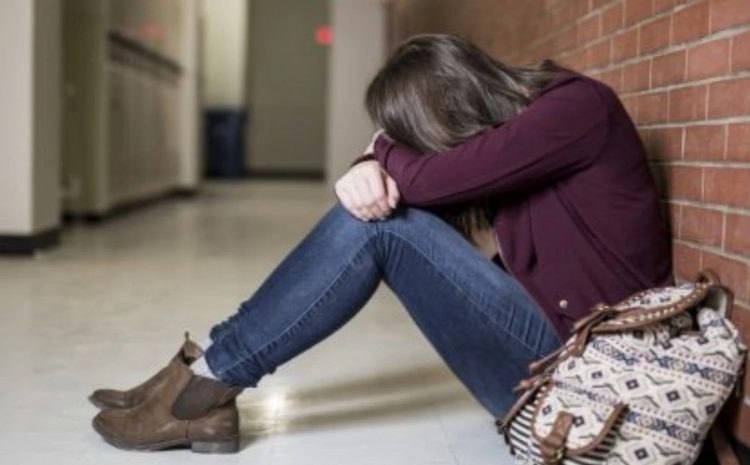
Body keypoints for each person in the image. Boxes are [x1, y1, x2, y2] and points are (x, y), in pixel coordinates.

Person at [89, 34, 673, 454]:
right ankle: (204, 373)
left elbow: (425, 182)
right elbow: (422, 183)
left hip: (585, 380)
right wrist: (373, 163)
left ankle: (204, 386)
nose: (420, 149)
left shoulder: (575, 108)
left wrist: (377, 151)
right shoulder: (521, 135)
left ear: (449, 105)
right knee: (379, 215)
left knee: (381, 225)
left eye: (417, 135)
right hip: (546, 361)